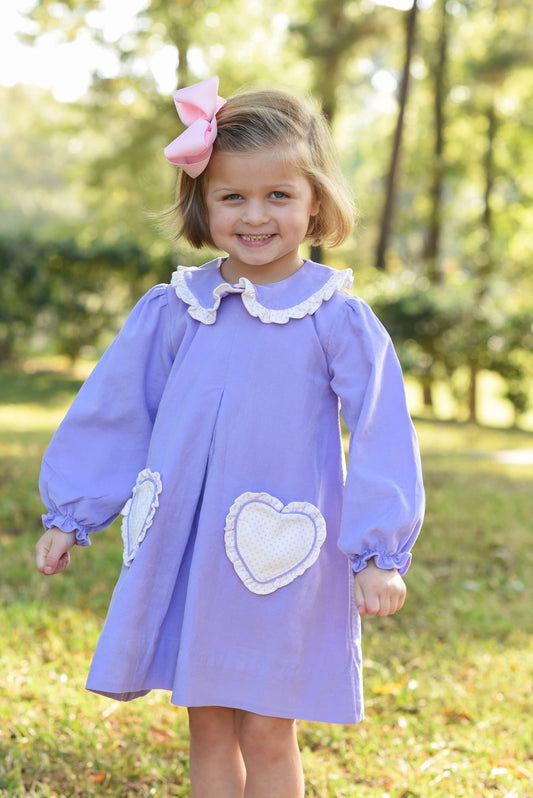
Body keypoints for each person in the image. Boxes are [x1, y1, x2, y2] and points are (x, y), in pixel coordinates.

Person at [36, 76, 424, 797]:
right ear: (202, 203)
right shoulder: (177, 309)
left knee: (268, 727)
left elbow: (379, 431)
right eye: (231, 197)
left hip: (280, 559)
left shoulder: (334, 318)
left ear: (315, 203)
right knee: (208, 724)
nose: (254, 216)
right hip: (190, 552)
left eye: (277, 195)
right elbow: (117, 412)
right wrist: (74, 512)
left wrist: (379, 551)